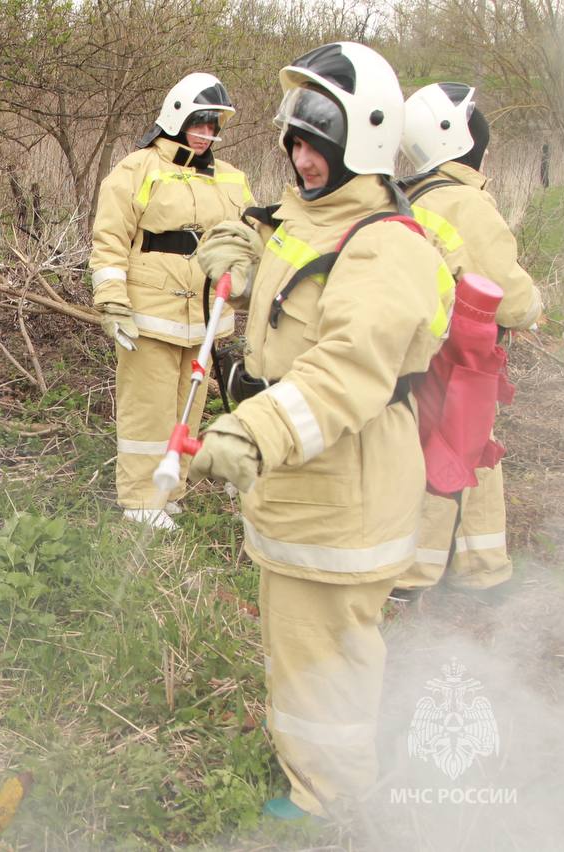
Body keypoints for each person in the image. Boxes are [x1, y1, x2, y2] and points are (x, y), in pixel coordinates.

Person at [192, 42, 454, 819]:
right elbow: (284, 240)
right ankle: (313, 771)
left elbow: (346, 370)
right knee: (302, 643)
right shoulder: (318, 211)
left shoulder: (386, 246)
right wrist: (241, 245)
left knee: (327, 658)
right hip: (307, 485)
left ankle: (331, 802)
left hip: (346, 493)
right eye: (296, 142)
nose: (302, 160)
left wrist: (255, 430)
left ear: (362, 144)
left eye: (318, 147)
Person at [390, 83, 543, 602]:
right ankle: (437, 575)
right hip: (460, 357)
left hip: (421, 350)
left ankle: (476, 565)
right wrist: (534, 306)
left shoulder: (411, 197)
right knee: (459, 452)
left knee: (449, 448)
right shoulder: (465, 203)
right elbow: (508, 293)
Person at [89, 73, 253, 530]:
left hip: (204, 315)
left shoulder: (232, 178)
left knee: (188, 407)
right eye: (199, 123)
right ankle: (142, 500)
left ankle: (170, 489)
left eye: (213, 126)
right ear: (177, 119)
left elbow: (246, 239)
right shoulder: (137, 169)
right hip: (149, 312)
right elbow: (109, 240)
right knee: (149, 408)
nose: (205, 134)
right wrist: (113, 301)